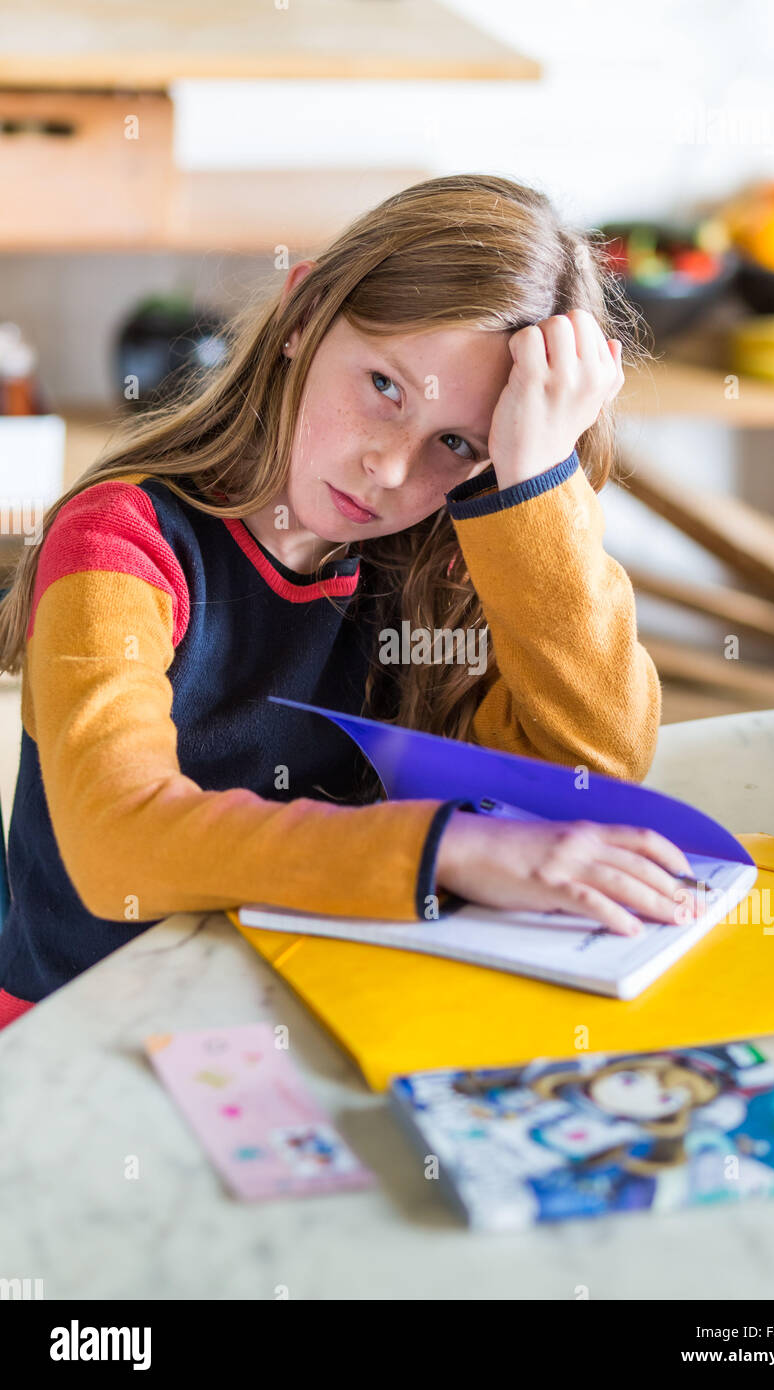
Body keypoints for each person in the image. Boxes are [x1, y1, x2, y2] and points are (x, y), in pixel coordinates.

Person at [0, 173, 696, 1028]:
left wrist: (539, 483)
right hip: (85, 1037)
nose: (392, 469)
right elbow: (117, 844)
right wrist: (454, 851)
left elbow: (594, 764)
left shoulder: (436, 556)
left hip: (312, 1004)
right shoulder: (120, 539)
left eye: (456, 442)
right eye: (384, 387)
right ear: (303, 317)